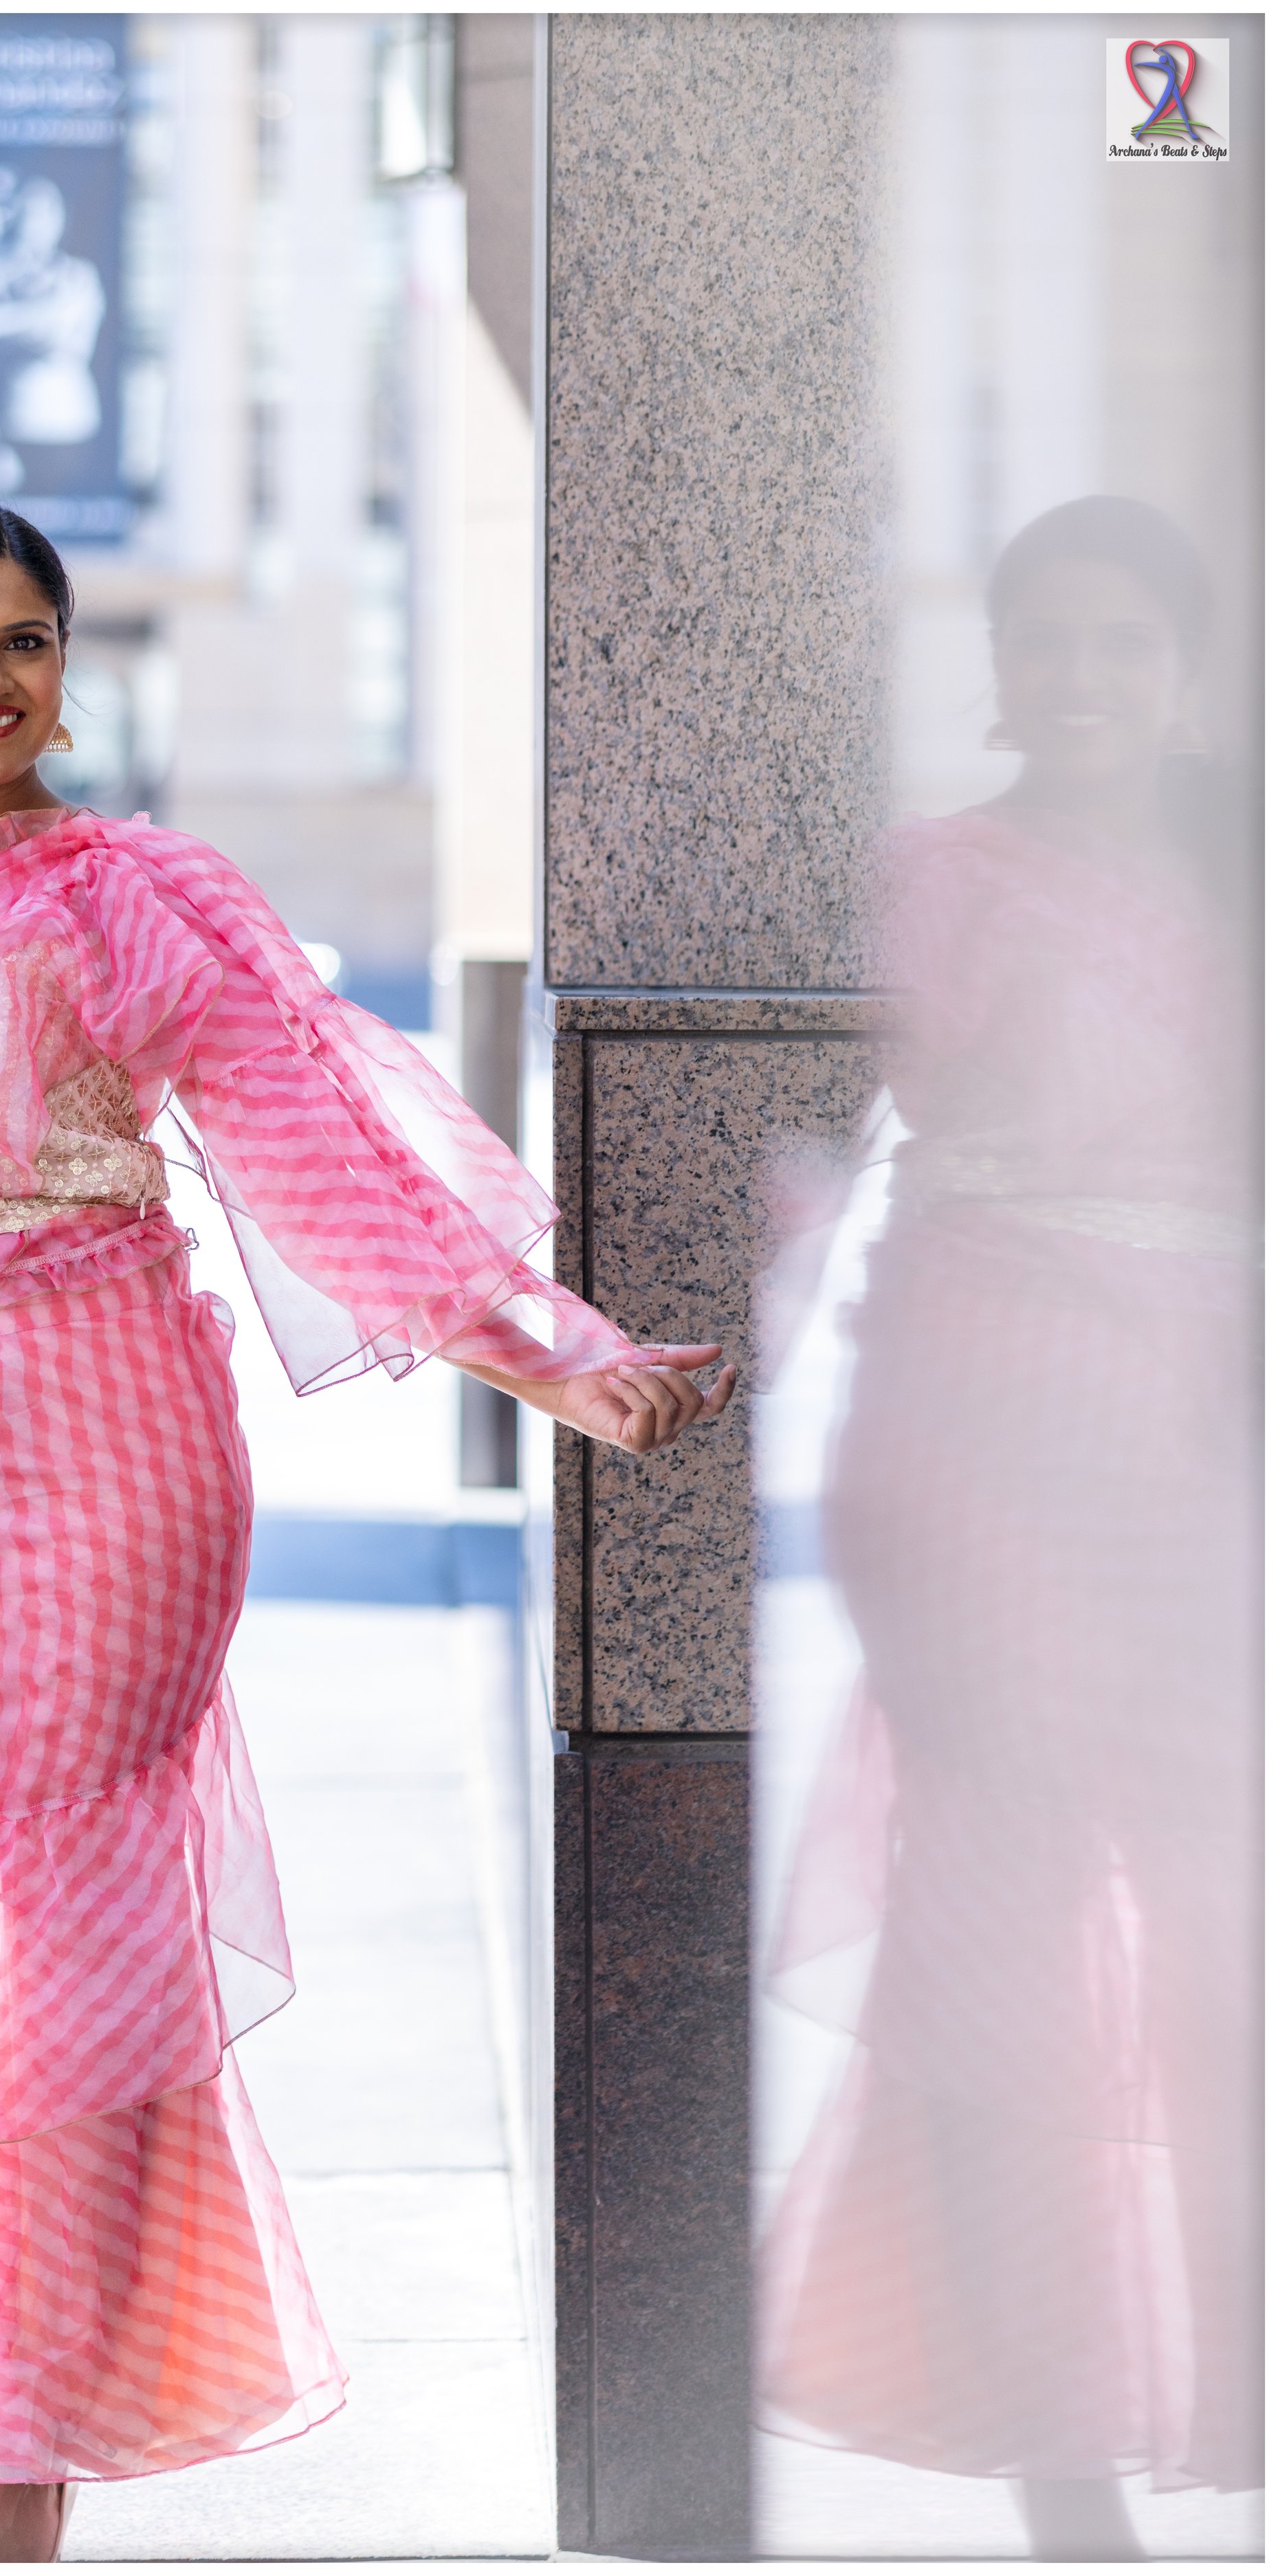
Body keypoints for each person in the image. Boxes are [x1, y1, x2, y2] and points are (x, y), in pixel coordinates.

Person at [0, 497, 736, 2566]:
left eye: (26, 643)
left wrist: (562, 1361)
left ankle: (15, 2490)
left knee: (64, 1966)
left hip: (109, 1471)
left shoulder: (128, 898)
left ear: (66, 669)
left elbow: (328, 1170)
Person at [758, 498, 1260, 2560]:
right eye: (1038, 642)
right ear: (996, 663)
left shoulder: (1242, 875)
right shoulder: (932, 881)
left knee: (1227, 1929)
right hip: (968, 1444)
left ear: (1183, 663)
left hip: (1202, 1445)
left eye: (1117, 645)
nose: (1076, 682)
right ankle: (1061, 2468)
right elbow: (800, 1136)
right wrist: (689, 1367)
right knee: (1004, 1934)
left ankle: (1227, 2387)